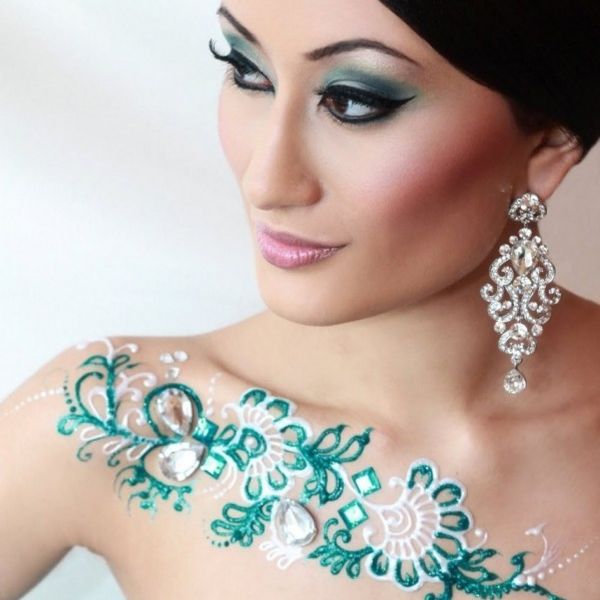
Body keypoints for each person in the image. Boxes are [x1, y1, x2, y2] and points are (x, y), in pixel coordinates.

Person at [1, 1, 599, 598]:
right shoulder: (108, 418)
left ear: (548, 145)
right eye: (246, 71)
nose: (266, 182)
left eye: (353, 101)